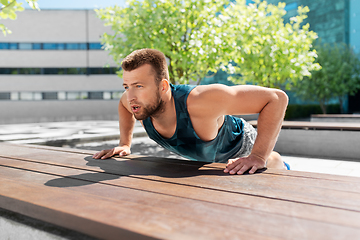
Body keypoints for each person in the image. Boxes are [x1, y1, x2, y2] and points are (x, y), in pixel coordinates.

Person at [93, 48, 289, 175]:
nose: (130, 96)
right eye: (127, 86)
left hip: (240, 145)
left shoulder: (200, 101)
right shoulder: (135, 102)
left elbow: (276, 98)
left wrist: (259, 156)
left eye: (139, 86)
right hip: (206, 161)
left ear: (163, 86)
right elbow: (123, 106)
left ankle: (275, 159)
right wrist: (125, 144)